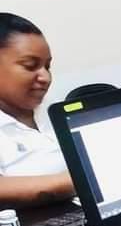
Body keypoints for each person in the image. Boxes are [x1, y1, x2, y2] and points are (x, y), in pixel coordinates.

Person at [0, 12, 74, 207]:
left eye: (47, 66)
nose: (46, 78)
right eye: (30, 66)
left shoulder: (52, 109)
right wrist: (85, 179)